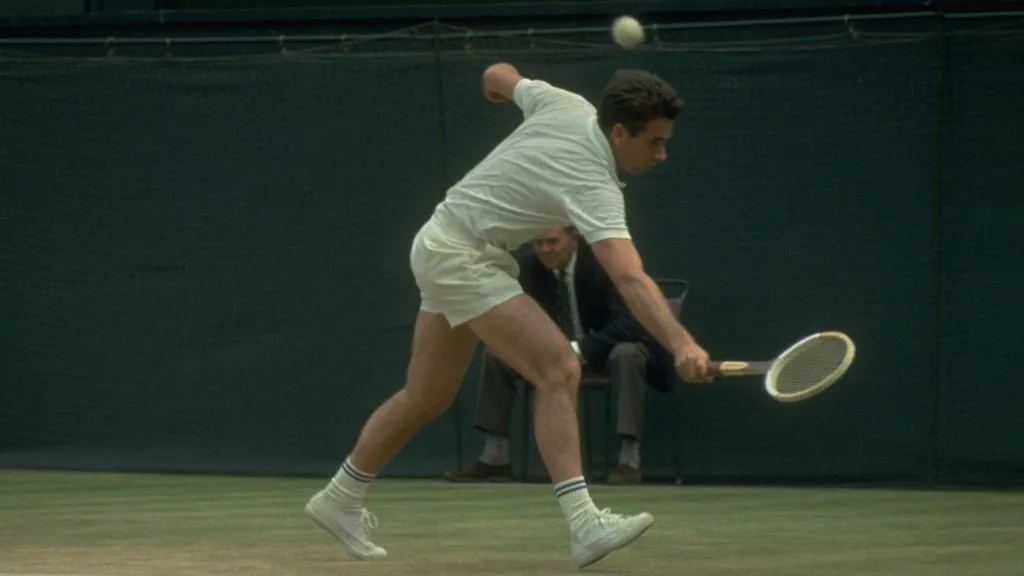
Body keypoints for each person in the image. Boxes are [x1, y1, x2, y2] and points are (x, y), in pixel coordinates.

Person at [305, 63, 712, 569]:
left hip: (442, 240)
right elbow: (630, 280)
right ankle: (584, 524)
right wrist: (681, 344)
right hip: (460, 254)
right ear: (618, 132)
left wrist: (499, 92)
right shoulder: (593, 183)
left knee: (427, 396)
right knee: (559, 367)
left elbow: (497, 73)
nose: (661, 153)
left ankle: (339, 496)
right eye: (653, 142)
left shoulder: (565, 103)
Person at [443, 225, 673, 486]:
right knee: (497, 354)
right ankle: (496, 456)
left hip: (603, 350)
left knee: (628, 353)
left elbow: (630, 324)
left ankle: (628, 460)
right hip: (551, 353)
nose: (545, 250)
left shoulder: (604, 263)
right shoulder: (527, 268)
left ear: (574, 238)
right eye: (538, 243)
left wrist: (578, 349)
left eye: (552, 242)